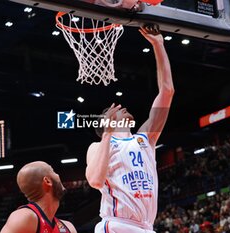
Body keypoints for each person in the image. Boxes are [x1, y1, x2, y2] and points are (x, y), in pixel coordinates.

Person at [86, 25, 175, 233]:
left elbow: (167, 91)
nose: (123, 108)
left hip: (146, 227)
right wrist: (108, 135)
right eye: (114, 110)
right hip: (117, 225)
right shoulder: (98, 146)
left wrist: (158, 45)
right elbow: (95, 180)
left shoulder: (145, 139)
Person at [0, 161, 77, 233]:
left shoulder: (68, 227)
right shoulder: (24, 217)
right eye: (53, 171)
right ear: (47, 181)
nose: (58, 175)